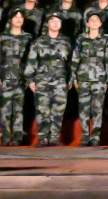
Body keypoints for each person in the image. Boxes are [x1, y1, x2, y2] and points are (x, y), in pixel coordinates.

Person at [24, 14, 72, 146]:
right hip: (42, 79)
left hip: (60, 79)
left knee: (58, 110)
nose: (56, 23)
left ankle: (54, 137)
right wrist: (30, 79)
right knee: (42, 109)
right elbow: (32, 60)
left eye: (58, 21)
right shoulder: (38, 42)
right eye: (53, 21)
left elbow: (71, 62)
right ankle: (42, 138)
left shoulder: (66, 41)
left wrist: (71, 78)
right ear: (47, 24)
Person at [71, 13, 108, 146]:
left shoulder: (105, 39)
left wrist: (107, 80)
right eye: (91, 20)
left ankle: (95, 136)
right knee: (83, 108)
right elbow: (75, 58)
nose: (94, 22)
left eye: (97, 20)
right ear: (87, 23)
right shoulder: (81, 39)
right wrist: (74, 78)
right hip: (83, 77)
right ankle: (84, 136)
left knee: (97, 108)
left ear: (100, 23)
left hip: (99, 78)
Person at [0, 11, 34, 146]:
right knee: (5, 109)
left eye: (21, 17)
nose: (18, 19)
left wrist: (29, 78)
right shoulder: (2, 37)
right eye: (15, 17)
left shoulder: (28, 37)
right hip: (6, 75)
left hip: (21, 76)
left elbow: (31, 59)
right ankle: (6, 138)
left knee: (19, 109)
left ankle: (18, 138)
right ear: (10, 20)